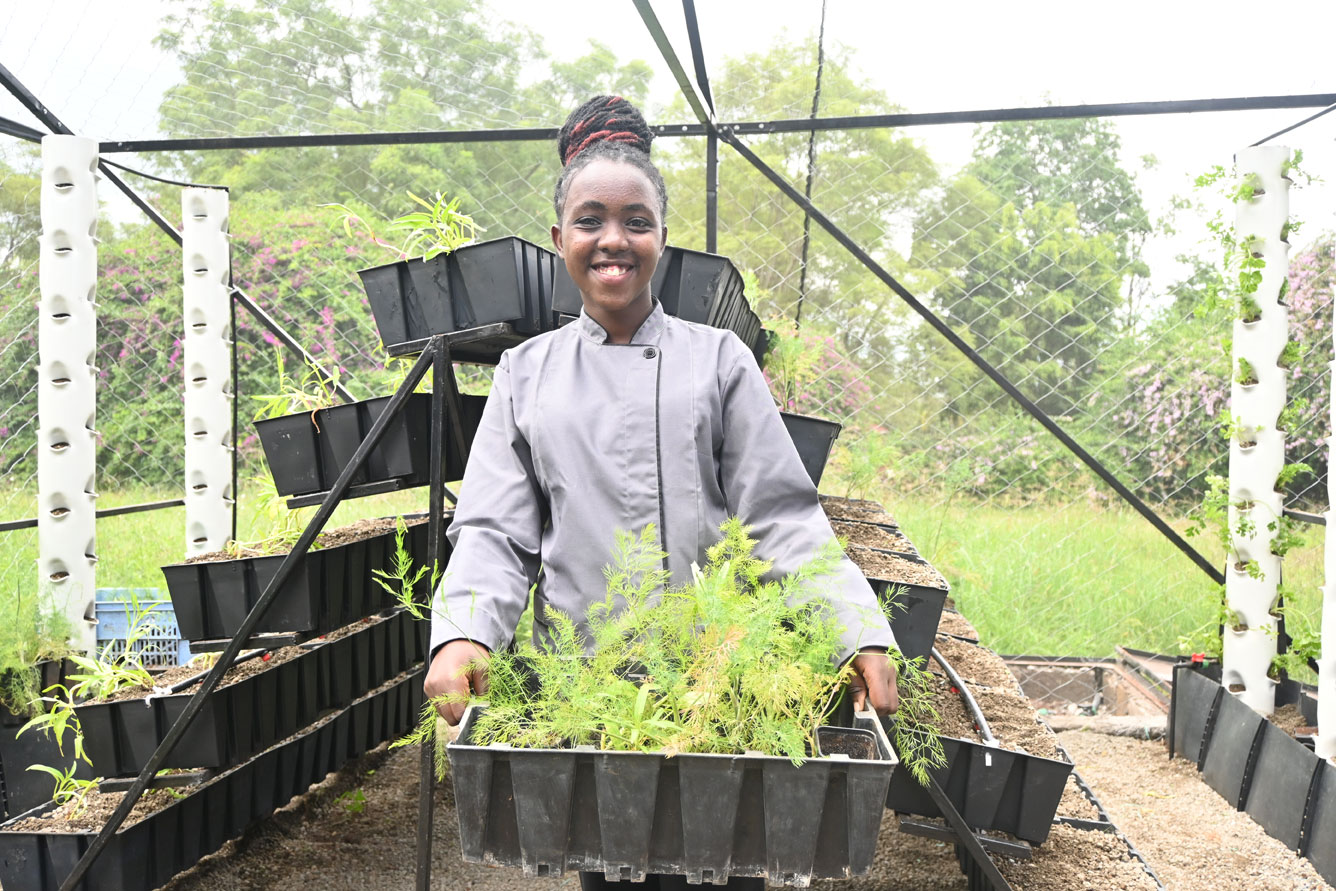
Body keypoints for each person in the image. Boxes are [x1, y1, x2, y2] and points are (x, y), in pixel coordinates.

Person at [424, 96, 898, 889]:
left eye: (636, 220)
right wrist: (463, 632)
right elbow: (496, 532)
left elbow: (780, 516)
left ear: (663, 240)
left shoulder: (717, 361)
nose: (614, 239)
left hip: (724, 683)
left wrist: (857, 629)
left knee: (730, 859)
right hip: (594, 692)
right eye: (591, 220)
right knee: (616, 867)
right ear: (559, 241)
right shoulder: (526, 372)